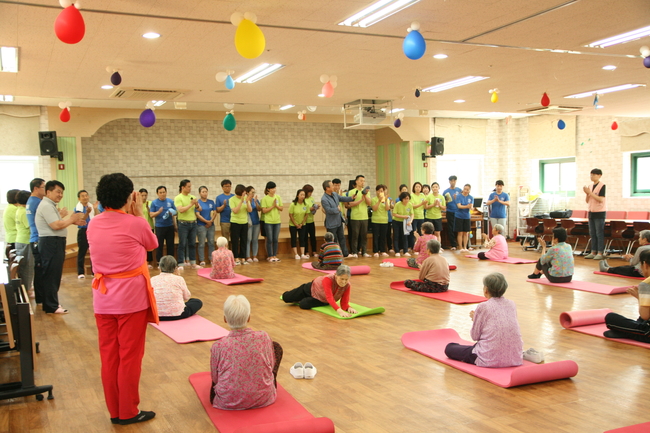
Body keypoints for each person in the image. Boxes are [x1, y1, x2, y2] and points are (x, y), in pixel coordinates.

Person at [87, 172, 158, 425]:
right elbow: (152, 244)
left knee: (109, 357)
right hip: (131, 302)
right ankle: (128, 411)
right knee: (129, 357)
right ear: (130, 197)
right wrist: (138, 213)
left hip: (103, 300)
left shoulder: (93, 223)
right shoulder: (136, 223)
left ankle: (115, 411)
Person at [210, 295, 282, 410]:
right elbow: (271, 365)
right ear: (249, 318)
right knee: (276, 347)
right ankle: (265, 385)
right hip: (264, 398)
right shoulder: (263, 337)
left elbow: (215, 378)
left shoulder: (218, 345)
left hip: (228, 401)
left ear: (225, 319)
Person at [444, 273, 529, 367]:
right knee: (470, 347)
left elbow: (475, 336)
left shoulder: (483, 306)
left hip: (488, 358)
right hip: (515, 357)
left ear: (486, 290)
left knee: (450, 347)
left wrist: (475, 319)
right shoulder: (511, 304)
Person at [35, 180, 85, 314]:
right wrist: (72, 218)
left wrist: (73, 222)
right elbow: (56, 225)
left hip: (53, 242)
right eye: (58, 192)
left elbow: (58, 222)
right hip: (51, 243)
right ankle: (51, 305)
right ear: (48, 192)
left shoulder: (50, 205)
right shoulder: (46, 205)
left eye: (62, 192)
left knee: (53, 274)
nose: (60, 195)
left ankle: (50, 303)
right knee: (52, 275)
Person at [603, 250, 650, 343]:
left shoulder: (646, 284)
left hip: (648, 333)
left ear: (645, 264)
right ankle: (626, 331)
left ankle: (626, 332)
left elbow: (645, 315)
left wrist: (639, 298)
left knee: (611, 317)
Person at [281, 265, 358, 317]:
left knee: (304, 305)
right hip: (309, 289)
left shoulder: (347, 285)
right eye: (342, 279)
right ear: (336, 275)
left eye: (346, 279)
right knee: (286, 297)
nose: (344, 282)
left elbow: (344, 302)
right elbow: (329, 297)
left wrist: (348, 308)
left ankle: (301, 300)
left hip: (321, 299)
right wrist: (339, 311)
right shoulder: (328, 279)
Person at [151, 256, 202, 321]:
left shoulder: (152, 279)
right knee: (197, 301)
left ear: (160, 267)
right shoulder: (179, 279)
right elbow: (187, 297)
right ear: (175, 268)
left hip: (156, 314)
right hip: (177, 314)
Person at [321, 180, 354, 257]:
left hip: (338, 221)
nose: (334, 187)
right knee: (333, 240)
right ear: (327, 188)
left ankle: (345, 254)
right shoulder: (324, 199)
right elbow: (328, 210)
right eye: (332, 185)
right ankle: (335, 254)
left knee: (342, 238)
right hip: (331, 223)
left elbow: (342, 198)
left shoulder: (335, 194)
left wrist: (351, 198)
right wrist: (337, 209)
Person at [26, 178, 45, 304]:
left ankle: (41, 297)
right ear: (36, 188)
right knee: (41, 270)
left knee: (39, 269)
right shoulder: (37, 202)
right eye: (43, 187)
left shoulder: (31, 201)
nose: (45, 189)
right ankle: (41, 298)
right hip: (38, 238)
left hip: (35, 238)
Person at [174, 179, 201, 268]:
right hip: (183, 224)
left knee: (192, 243)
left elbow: (199, 209)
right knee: (182, 243)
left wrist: (196, 205)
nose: (190, 188)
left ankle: (193, 262)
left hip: (193, 223)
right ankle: (180, 263)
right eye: (188, 186)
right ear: (183, 187)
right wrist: (190, 204)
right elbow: (181, 210)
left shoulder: (192, 197)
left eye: (190, 186)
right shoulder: (178, 197)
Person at [149, 186, 177, 265]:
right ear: (157, 194)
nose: (162, 194)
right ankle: (159, 262)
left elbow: (176, 212)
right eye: (160, 193)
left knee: (170, 245)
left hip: (169, 226)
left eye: (164, 192)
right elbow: (151, 215)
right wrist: (158, 212)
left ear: (166, 192)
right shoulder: (154, 203)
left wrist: (173, 213)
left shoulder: (170, 201)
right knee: (159, 245)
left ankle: (171, 263)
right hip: (159, 227)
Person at [14, 190, 34, 297]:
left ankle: (26, 288)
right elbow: (30, 226)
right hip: (26, 241)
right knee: (28, 266)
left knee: (25, 266)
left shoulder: (19, 210)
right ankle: (27, 289)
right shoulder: (24, 211)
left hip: (20, 240)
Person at [346, 175, 372, 258]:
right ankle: (354, 252)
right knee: (355, 235)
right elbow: (350, 204)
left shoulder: (367, 192)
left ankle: (364, 251)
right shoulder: (351, 192)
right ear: (356, 181)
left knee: (364, 235)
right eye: (361, 180)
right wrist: (360, 200)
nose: (362, 182)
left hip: (364, 217)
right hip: (355, 217)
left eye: (364, 181)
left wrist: (365, 196)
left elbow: (369, 203)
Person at [584, 168, 606, 260]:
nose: (591, 176)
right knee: (592, 233)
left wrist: (590, 193)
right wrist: (587, 194)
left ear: (599, 175)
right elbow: (587, 200)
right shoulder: (590, 186)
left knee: (599, 233)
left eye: (594, 175)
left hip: (600, 212)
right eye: (591, 174)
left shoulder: (602, 185)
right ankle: (593, 251)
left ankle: (600, 253)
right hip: (591, 212)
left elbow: (601, 199)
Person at [229, 184, 251, 266]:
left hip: (244, 222)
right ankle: (236, 258)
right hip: (235, 222)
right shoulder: (232, 199)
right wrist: (241, 201)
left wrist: (247, 201)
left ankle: (243, 258)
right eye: (244, 191)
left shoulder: (246, 199)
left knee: (244, 240)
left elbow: (250, 210)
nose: (245, 193)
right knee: (235, 241)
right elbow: (235, 211)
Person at [74, 189, 94, 278]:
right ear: (79, 198)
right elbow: (82, 220)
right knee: (82, 252)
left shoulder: (91, 206)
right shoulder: (77, 208)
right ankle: (80, 272)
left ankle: (94, 271)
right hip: (83, 231)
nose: (85, 197)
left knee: (93, 251)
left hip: (92, 230)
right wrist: (88, 212)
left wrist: (95, 209)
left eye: (86, 195)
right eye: (83, 196)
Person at [261, 181, 283, 262]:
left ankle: (274, 255)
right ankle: (270, 256)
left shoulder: (278, 197)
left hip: (277, 221)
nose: (274, 190)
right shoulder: (264, 199)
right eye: (272, 188)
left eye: (275, 188)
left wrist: (276, 205)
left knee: (275, 239)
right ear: (268, 189)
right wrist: (273, 206)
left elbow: (281, 208)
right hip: (268, 221)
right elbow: (264, 210)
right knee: (269, 239)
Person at [196, 186, 216, 266]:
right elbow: (197, 214)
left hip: (211, 225)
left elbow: (215, 212)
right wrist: (206, 221)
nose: (205, 193)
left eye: (206, 191)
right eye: (203, 192)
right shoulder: (197, 203)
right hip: (201, 225)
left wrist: (211, 221)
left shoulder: (211, 202)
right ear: (199, 193)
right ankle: (202, 260)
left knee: (211, 242)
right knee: (201, 243)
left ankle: (211, 258)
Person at [443, 176, 462, 250]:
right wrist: (446, 201)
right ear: (449, 182)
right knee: (450, 228)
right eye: (451, 181)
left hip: (458, 211)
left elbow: (462, 200)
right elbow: (444, 203)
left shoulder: (459, 190)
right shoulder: (445, 191)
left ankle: (461, 244)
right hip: (450, 211)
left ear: (456, 181)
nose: (452, 182)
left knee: (459, 229)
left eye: (454, 181)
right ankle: (453, 245)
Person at [288, 189, 309, 259]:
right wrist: (296, 224)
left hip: (302, 224)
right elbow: (290, 215)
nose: (303, 196)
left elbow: (306, 214)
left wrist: (302, 223)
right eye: (301, 195)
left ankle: (302, 254)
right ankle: (296, 254)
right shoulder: (293, 204)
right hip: (293, 225)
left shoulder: (306, 204)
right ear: (297, 195)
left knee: (302, 238)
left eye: (304, 195)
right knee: (294, 238)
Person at [371, 184, 390, 257]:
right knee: (376, 236)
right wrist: (379, 200)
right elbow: (374, 209)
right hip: (375, 220)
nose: (380, 192)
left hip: (384, 220)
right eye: (379, 191)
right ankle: (376, 251)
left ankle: (383, 250)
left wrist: (385, 200)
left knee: (383, 236)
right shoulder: (374, 199)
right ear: (376, 191)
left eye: (382, 191)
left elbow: (387, 209)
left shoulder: (386, 199)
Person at [392, 191, 413, 257]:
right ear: (402, 199)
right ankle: (397, 251)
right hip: (396, 222)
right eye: (405, 198)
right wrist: (403, 216)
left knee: (405, 236)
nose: (406, 200)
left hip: (405, 222)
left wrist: (410, 221)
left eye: (407, 198)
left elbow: (412, 214)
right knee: (396, 236)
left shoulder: (410, 204)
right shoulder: (398, 204)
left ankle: (405, 251)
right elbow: (394, 214)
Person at [455, 184, 474, 253]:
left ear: (469, 190)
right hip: (459, 216)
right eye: (465, 189)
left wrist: (470, 207)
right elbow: (459, 206)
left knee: (466, 233)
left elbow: (471, 206)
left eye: (467, 189)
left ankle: (465, 247)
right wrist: (467, 206)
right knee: (460, 232)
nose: (465, 191)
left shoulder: (471, 197)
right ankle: (460, 247)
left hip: (467, 216)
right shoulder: (459, 196)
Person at [245, 186, 261, 263]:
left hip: (256, 222)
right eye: (252, 192)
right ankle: (247, 256)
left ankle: (255, 255)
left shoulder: (256, 200)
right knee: (248, 239)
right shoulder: (245, 200)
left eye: (254, 192)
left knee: (255, 239)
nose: (253, 194)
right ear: (247, 193)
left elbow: (259, 209)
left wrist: (256, 202)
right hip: (248, 223)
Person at [302, 184, 319, 257]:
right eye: (309, 192)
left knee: (313, 237)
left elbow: (313, 206)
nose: (310, 193)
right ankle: (306, 252)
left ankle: (314, 251)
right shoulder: (303, 199)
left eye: (311, 192)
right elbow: (303, 209)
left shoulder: (312, 198)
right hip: (304, 221)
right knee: (305, 237)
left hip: (311, 220)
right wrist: (310, 209)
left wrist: (315, 207)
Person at [140, 188, 155, 268]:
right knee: (141, 245)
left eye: (145, 195)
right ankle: (142, 261)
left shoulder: (150, 203)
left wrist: (148, 208)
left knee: (149, 245)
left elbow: (151, 214)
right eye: (142, 195)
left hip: (149, 226)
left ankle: (149, 262)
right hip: (140, 228)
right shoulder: (137, 204)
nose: (144, 197)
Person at [215, 179, 234, 246]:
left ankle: (233, 255)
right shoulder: (219, 197)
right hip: (224, 221)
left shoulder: (234, 196)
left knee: (234, 239)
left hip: (234, 220)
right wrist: (224, 205)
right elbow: (217, 210)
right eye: (225, 186)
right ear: (222, 187)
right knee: (225, 239)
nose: (227, 188)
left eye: (229, 186)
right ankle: (226, 254)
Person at [410, 182, 427, 248]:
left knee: (421, 232)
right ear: (414, 188)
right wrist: (421, 204)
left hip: (421, 216)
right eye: (416, 187)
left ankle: (421, 246)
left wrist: (425, 203)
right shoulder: (412, 196)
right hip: (414, 216)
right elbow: (412, 206)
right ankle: (413, 246)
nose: (418, 188)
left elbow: (425, 207)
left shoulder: (423, 196)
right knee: (414, 232)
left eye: (419, 187)